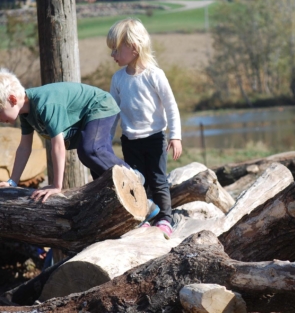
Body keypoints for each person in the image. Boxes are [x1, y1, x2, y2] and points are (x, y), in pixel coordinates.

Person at [0, 68, 143, 202]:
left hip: (100, 106)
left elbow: (58, 146)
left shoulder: (45, 105)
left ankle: (133, 176)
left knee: (90, 151)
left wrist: (56, 186)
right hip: (88, 115)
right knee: (100, 176)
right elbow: (24, 148)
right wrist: (12, 181)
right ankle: (143, 204)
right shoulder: (25, 114)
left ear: (12, 99)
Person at [106, 18, 182, 239]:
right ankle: (143, 218)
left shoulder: (154, 75)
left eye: (116, 50)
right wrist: (106, 142)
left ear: (134, 48)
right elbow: (113, 113)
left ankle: (165, 219)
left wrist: (175, 136)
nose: (113, 55)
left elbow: (171, 106)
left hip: (155, 138)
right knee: (137, 181)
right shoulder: (118, 79)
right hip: (130, 140)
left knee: (158, 180)